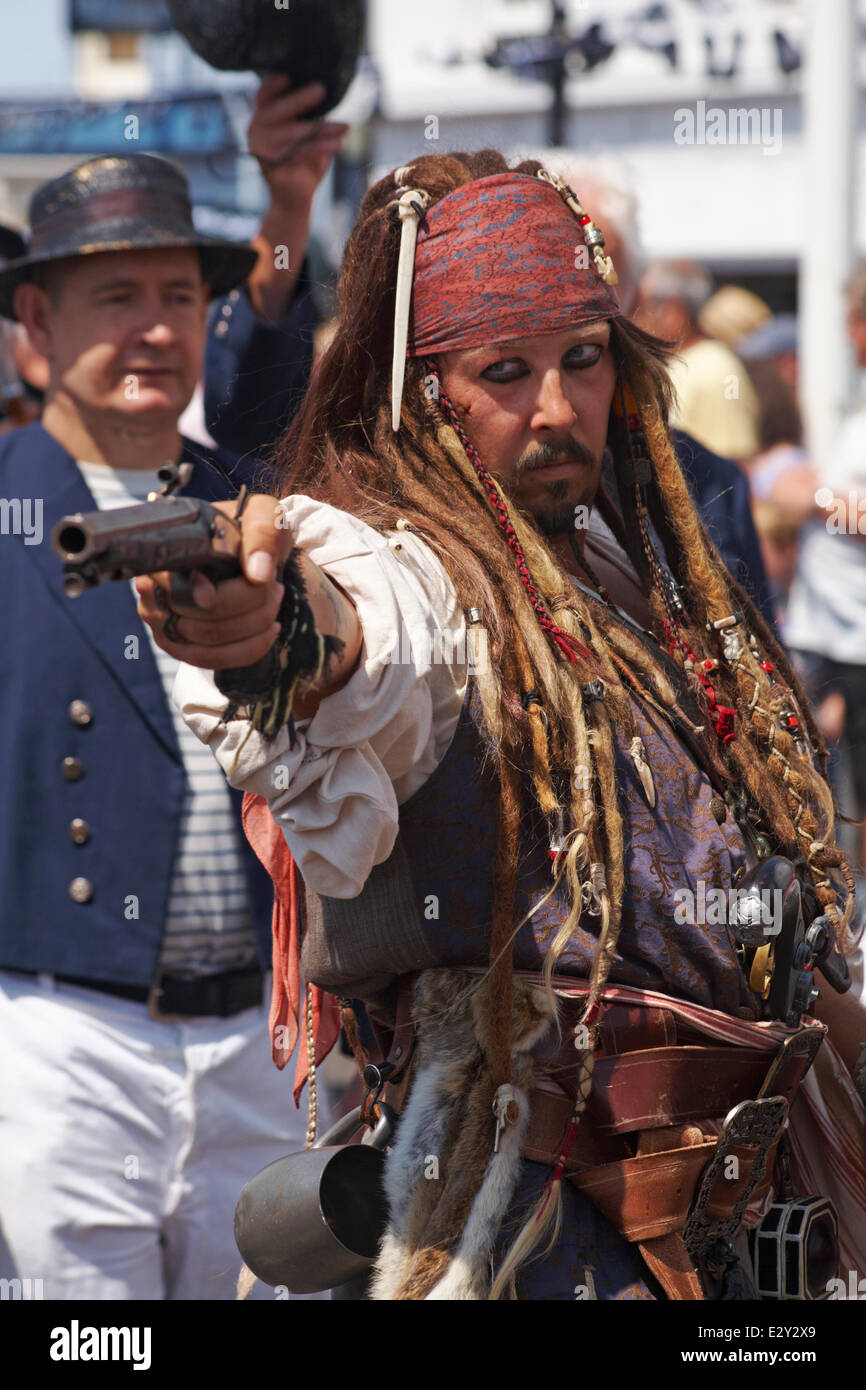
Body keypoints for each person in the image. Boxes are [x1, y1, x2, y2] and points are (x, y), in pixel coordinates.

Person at [138, 151, 866, 1301]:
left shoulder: (633, 565)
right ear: (424, 393)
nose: (553, 406)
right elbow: (355, 639)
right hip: (524, 1228)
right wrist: (263, 627)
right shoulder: (411, 569)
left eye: (581, 359)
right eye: (502, 371)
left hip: (730, 1214)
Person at [0, 150, 332, 1300]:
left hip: (260, 1031)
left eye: (178, 297)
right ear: (34, 322)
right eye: (117, 296)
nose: (154, 329)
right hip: (61, 1029)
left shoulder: (258, 508)